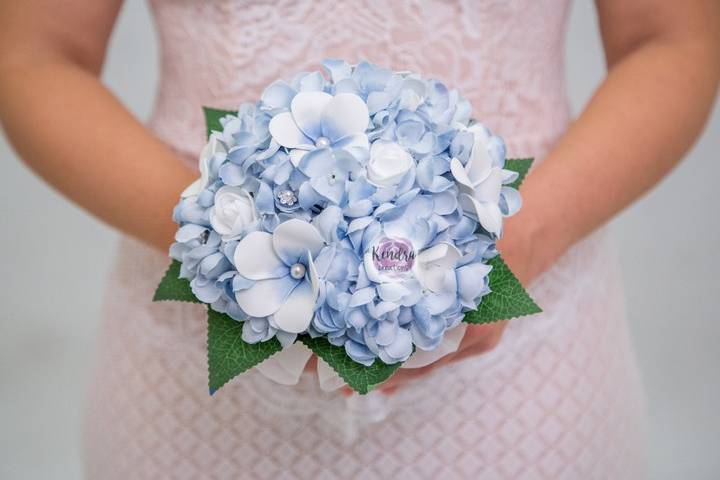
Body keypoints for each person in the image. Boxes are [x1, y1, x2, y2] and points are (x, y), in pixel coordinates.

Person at [0, 1, 718, 478]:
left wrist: (519, 242)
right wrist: (229, 246)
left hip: (524, 373)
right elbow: (35, 54)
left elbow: (675, 38)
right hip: (198, 375)